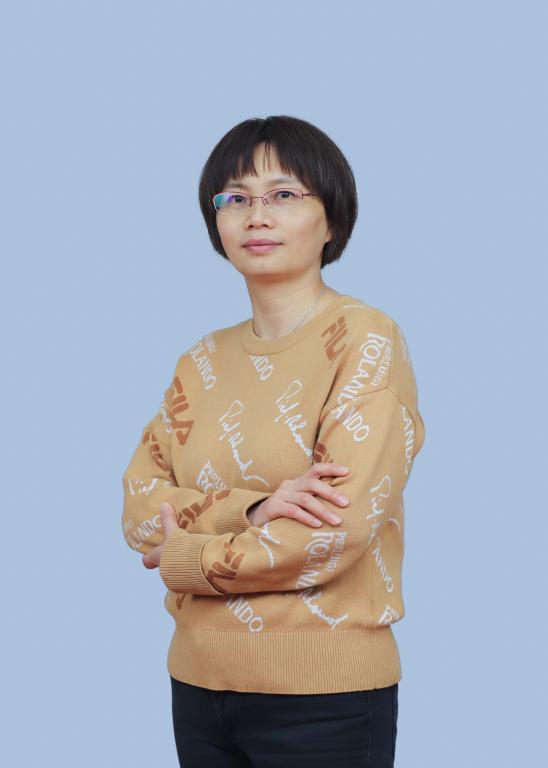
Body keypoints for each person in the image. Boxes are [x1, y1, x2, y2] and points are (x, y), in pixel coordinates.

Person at [121, 114, 426, 767]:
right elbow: (139, 508)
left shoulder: (367, 340)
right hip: (197, 686)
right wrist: (254, 509)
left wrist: (187, 558)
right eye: (235, 197)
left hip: (325, 699)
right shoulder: (200, 360)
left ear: (332, 219)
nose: (256, 215)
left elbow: (331, 534)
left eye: (284, 194)